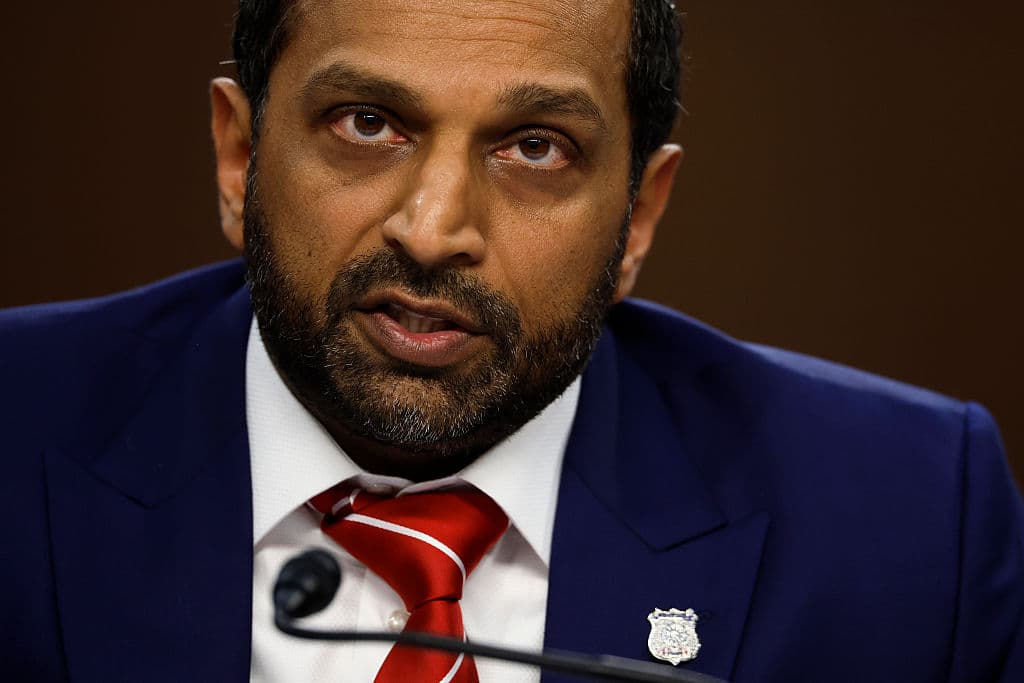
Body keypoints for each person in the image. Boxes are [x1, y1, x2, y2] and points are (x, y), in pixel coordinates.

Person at [2, 0, 1021, 681]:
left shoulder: (910, 517)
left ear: (637, 218)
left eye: (535, 147)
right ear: (238, 156)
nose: (435, 228)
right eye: (366, 123)